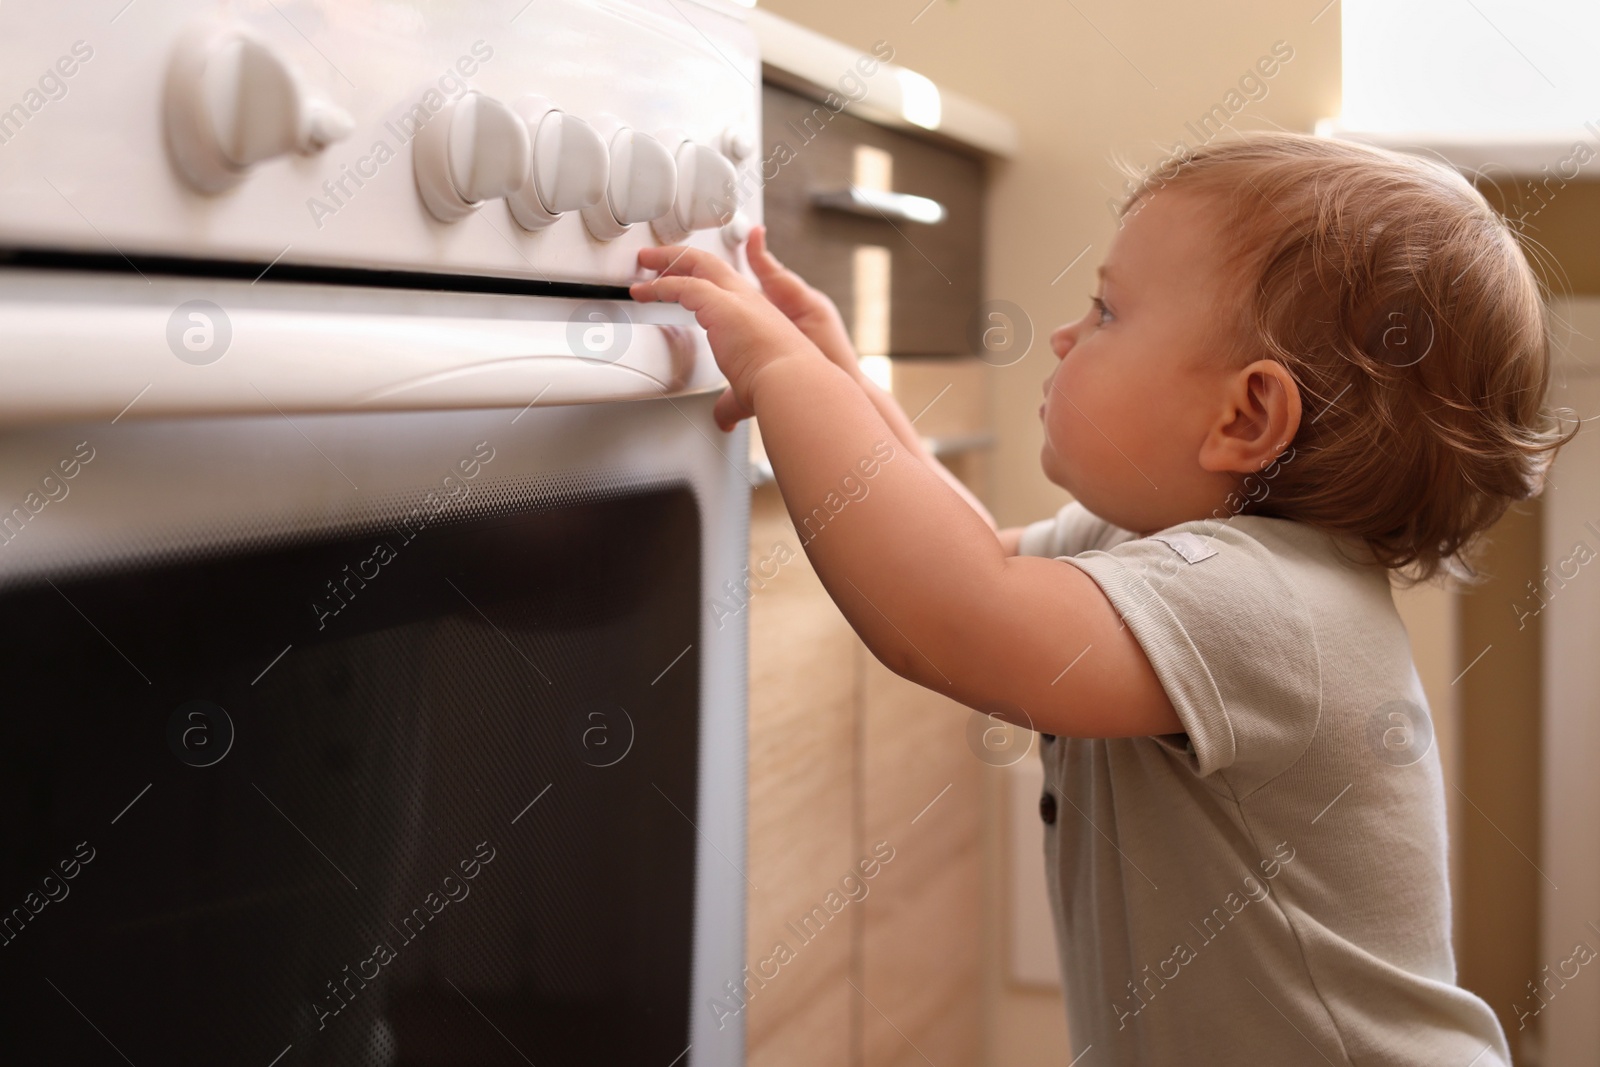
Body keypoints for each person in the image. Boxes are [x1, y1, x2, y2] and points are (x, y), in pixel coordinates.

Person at [630, 130, 1577, 1065]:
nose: (1065, 334)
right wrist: (840, 373)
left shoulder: (1267, 605)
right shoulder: (1165, 547)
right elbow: (969, 554)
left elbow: (957, 614)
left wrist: (785, 376)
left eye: (1108, 312)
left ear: (1245, 416)